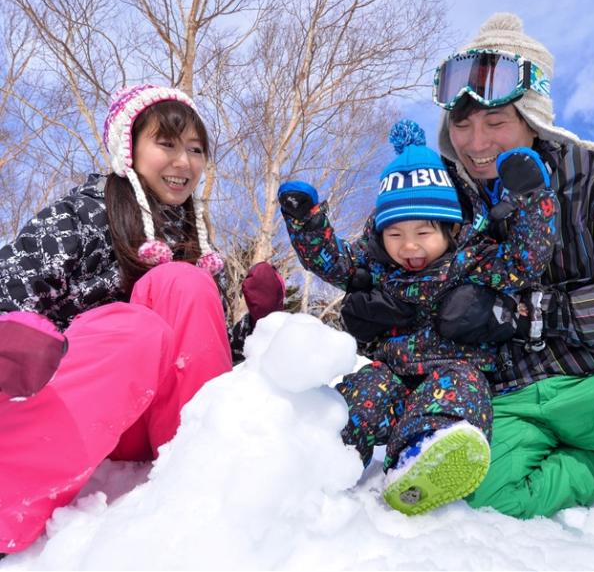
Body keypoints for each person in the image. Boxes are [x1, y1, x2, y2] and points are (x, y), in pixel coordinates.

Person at [0, 84, 283, 554]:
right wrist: (16, 338)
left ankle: (208, 466)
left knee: (183, 283)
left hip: (152, 425)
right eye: (166, 144)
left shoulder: (194, 242)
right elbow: (12, 281)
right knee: (136, 328)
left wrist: (261, 327)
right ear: (129, 149)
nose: (185, 162)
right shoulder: (83, 213)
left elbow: (202, 359)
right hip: (80, 403)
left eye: (195, 150)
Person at [425, 12, 594, 518]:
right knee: (481, 493)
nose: (476, 144)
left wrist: (534, 313)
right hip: (521, 399)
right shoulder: (452, 208)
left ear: (533, 118)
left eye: (496, 122)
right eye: (461, 124)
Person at [277, 119, 558, 515]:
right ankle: (320, 455)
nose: (408, 245)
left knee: (461, 389)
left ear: (449, 229)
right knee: (362, 391)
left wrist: (532, 197)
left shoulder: (473, 261)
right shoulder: (377, 267)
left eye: (423, 232)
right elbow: (331, 261)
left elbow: (525, 260)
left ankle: (424, 456)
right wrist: (306, 221)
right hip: (392, 372)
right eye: (395, 234)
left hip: (454, 367)